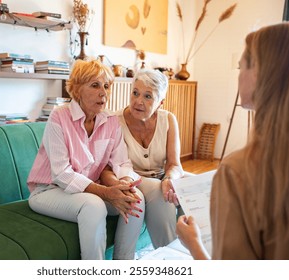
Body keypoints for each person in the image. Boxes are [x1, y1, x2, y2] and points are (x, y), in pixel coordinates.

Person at [176, 22, 289, 259]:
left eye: (240, 66)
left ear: (259, 74)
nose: (238, 76)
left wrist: (194, 244)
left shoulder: (238, 172)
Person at [27, 59, 145, 260]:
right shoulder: (58, 117)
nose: (103, 92)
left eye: (106, 86)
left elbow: (121, 163)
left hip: (88, 190)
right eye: (95, 85)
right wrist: (106, 193)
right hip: (48, 190)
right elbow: (62, 174)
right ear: (78, 89)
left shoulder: (110, 121)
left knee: (137, 199)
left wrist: (123, 185)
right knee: (94, 205)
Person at [114, 68, 187, 249]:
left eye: (148, 96)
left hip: (162, 175)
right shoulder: (114, 121)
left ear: (160, 102)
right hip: (132, 179)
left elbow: (174, 164)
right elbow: (114, 166)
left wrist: (170, 179)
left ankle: (203, 251)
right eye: (135, 93)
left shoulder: (168, 119)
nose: (138, 101)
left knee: (204, 185)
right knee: (160, 191)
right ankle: (170, 257)